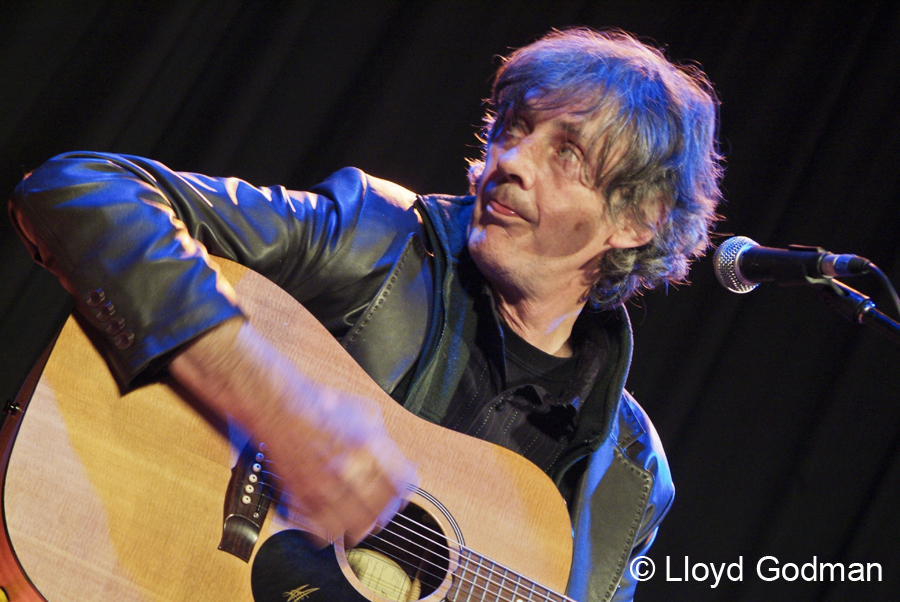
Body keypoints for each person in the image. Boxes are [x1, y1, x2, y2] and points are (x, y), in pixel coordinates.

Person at [8, 27, 721, 602]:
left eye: (565, 152)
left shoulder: (626, 478)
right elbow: (81, 189)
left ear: (636, 219)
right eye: (515, 127)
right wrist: (275, 408)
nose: (512, 161)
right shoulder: (379, 240)